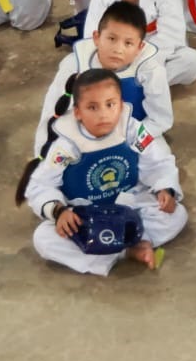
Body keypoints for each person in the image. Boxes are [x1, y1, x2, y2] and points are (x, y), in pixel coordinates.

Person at [21, 69, 185, 277]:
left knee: (176, 214)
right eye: (92, 107)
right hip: (86, 214)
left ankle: (133, 239)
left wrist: (165, 187)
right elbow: (40, 185)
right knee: (44, 239)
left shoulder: (132, 129)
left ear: (120, 103)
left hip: (130, 202)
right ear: (78, 112)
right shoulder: (67, 144)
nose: (104, 114)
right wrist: (59, 211)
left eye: (110, 104)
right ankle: (126, 250)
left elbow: (158, 159)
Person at [37, 0, 174, 154]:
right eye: (111, 39)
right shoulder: (74, 64)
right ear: (96, 37)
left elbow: (160, 120)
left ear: (139, 47)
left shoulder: (151, 70)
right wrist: (43, 155)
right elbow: (52, 115)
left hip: (134, 133)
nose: (118, 49)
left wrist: (130, 145)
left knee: (162, 162)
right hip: (85, 135)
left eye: (128, 43)